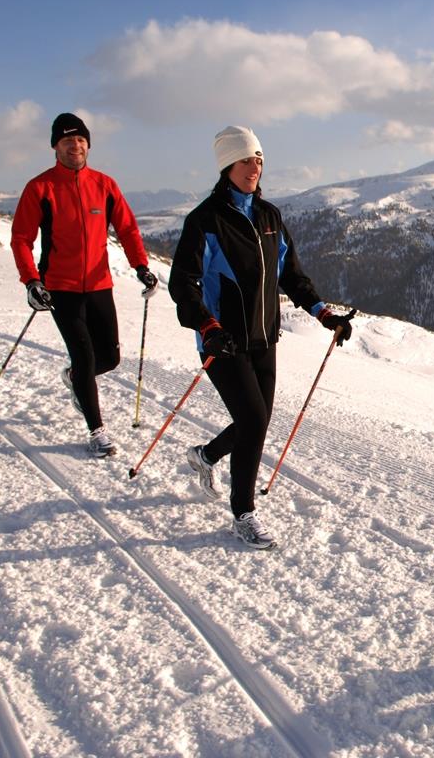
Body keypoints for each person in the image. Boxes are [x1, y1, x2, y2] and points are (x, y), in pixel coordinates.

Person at [169, 126, 354, 550]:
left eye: (259, 159)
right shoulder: (206, 220)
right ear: (227, 166)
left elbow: (291, 273)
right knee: (253, 420)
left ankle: (207, 456)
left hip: (264, 338)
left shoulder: (270, 217)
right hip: (222, 342)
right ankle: (243, 513)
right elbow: (184, 283)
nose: (255, 166)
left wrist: (323, 313)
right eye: (246, 159)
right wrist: (205, 326)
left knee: (257, 421)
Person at [10, 112, 159, 458]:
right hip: (59, 287)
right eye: (66, 141)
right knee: (85, 352)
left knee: (110, 356)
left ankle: (76, 377)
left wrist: (141, 265)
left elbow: (127, 229)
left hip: (98, 284)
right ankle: (97, 431)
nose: (74, 146)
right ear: (55, 147)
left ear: (87, 144)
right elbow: (21, 238)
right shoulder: (40, 188)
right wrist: (31, 280)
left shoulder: (104, 185)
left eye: (79, 140)